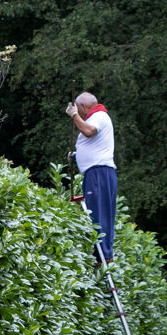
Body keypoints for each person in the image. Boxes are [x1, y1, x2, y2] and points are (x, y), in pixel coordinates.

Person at [66, 92, 117, 263]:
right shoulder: (100, 116)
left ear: (82, 106)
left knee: (97, 214)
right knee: (103, 212)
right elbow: (93, 142)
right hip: (100, 172)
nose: (79, 114)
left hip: (98, 173)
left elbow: (88, 131)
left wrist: (74, 116)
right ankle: (105, 254)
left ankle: (101, 256)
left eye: (78, 110)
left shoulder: (98, 116)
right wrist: (77, 155)